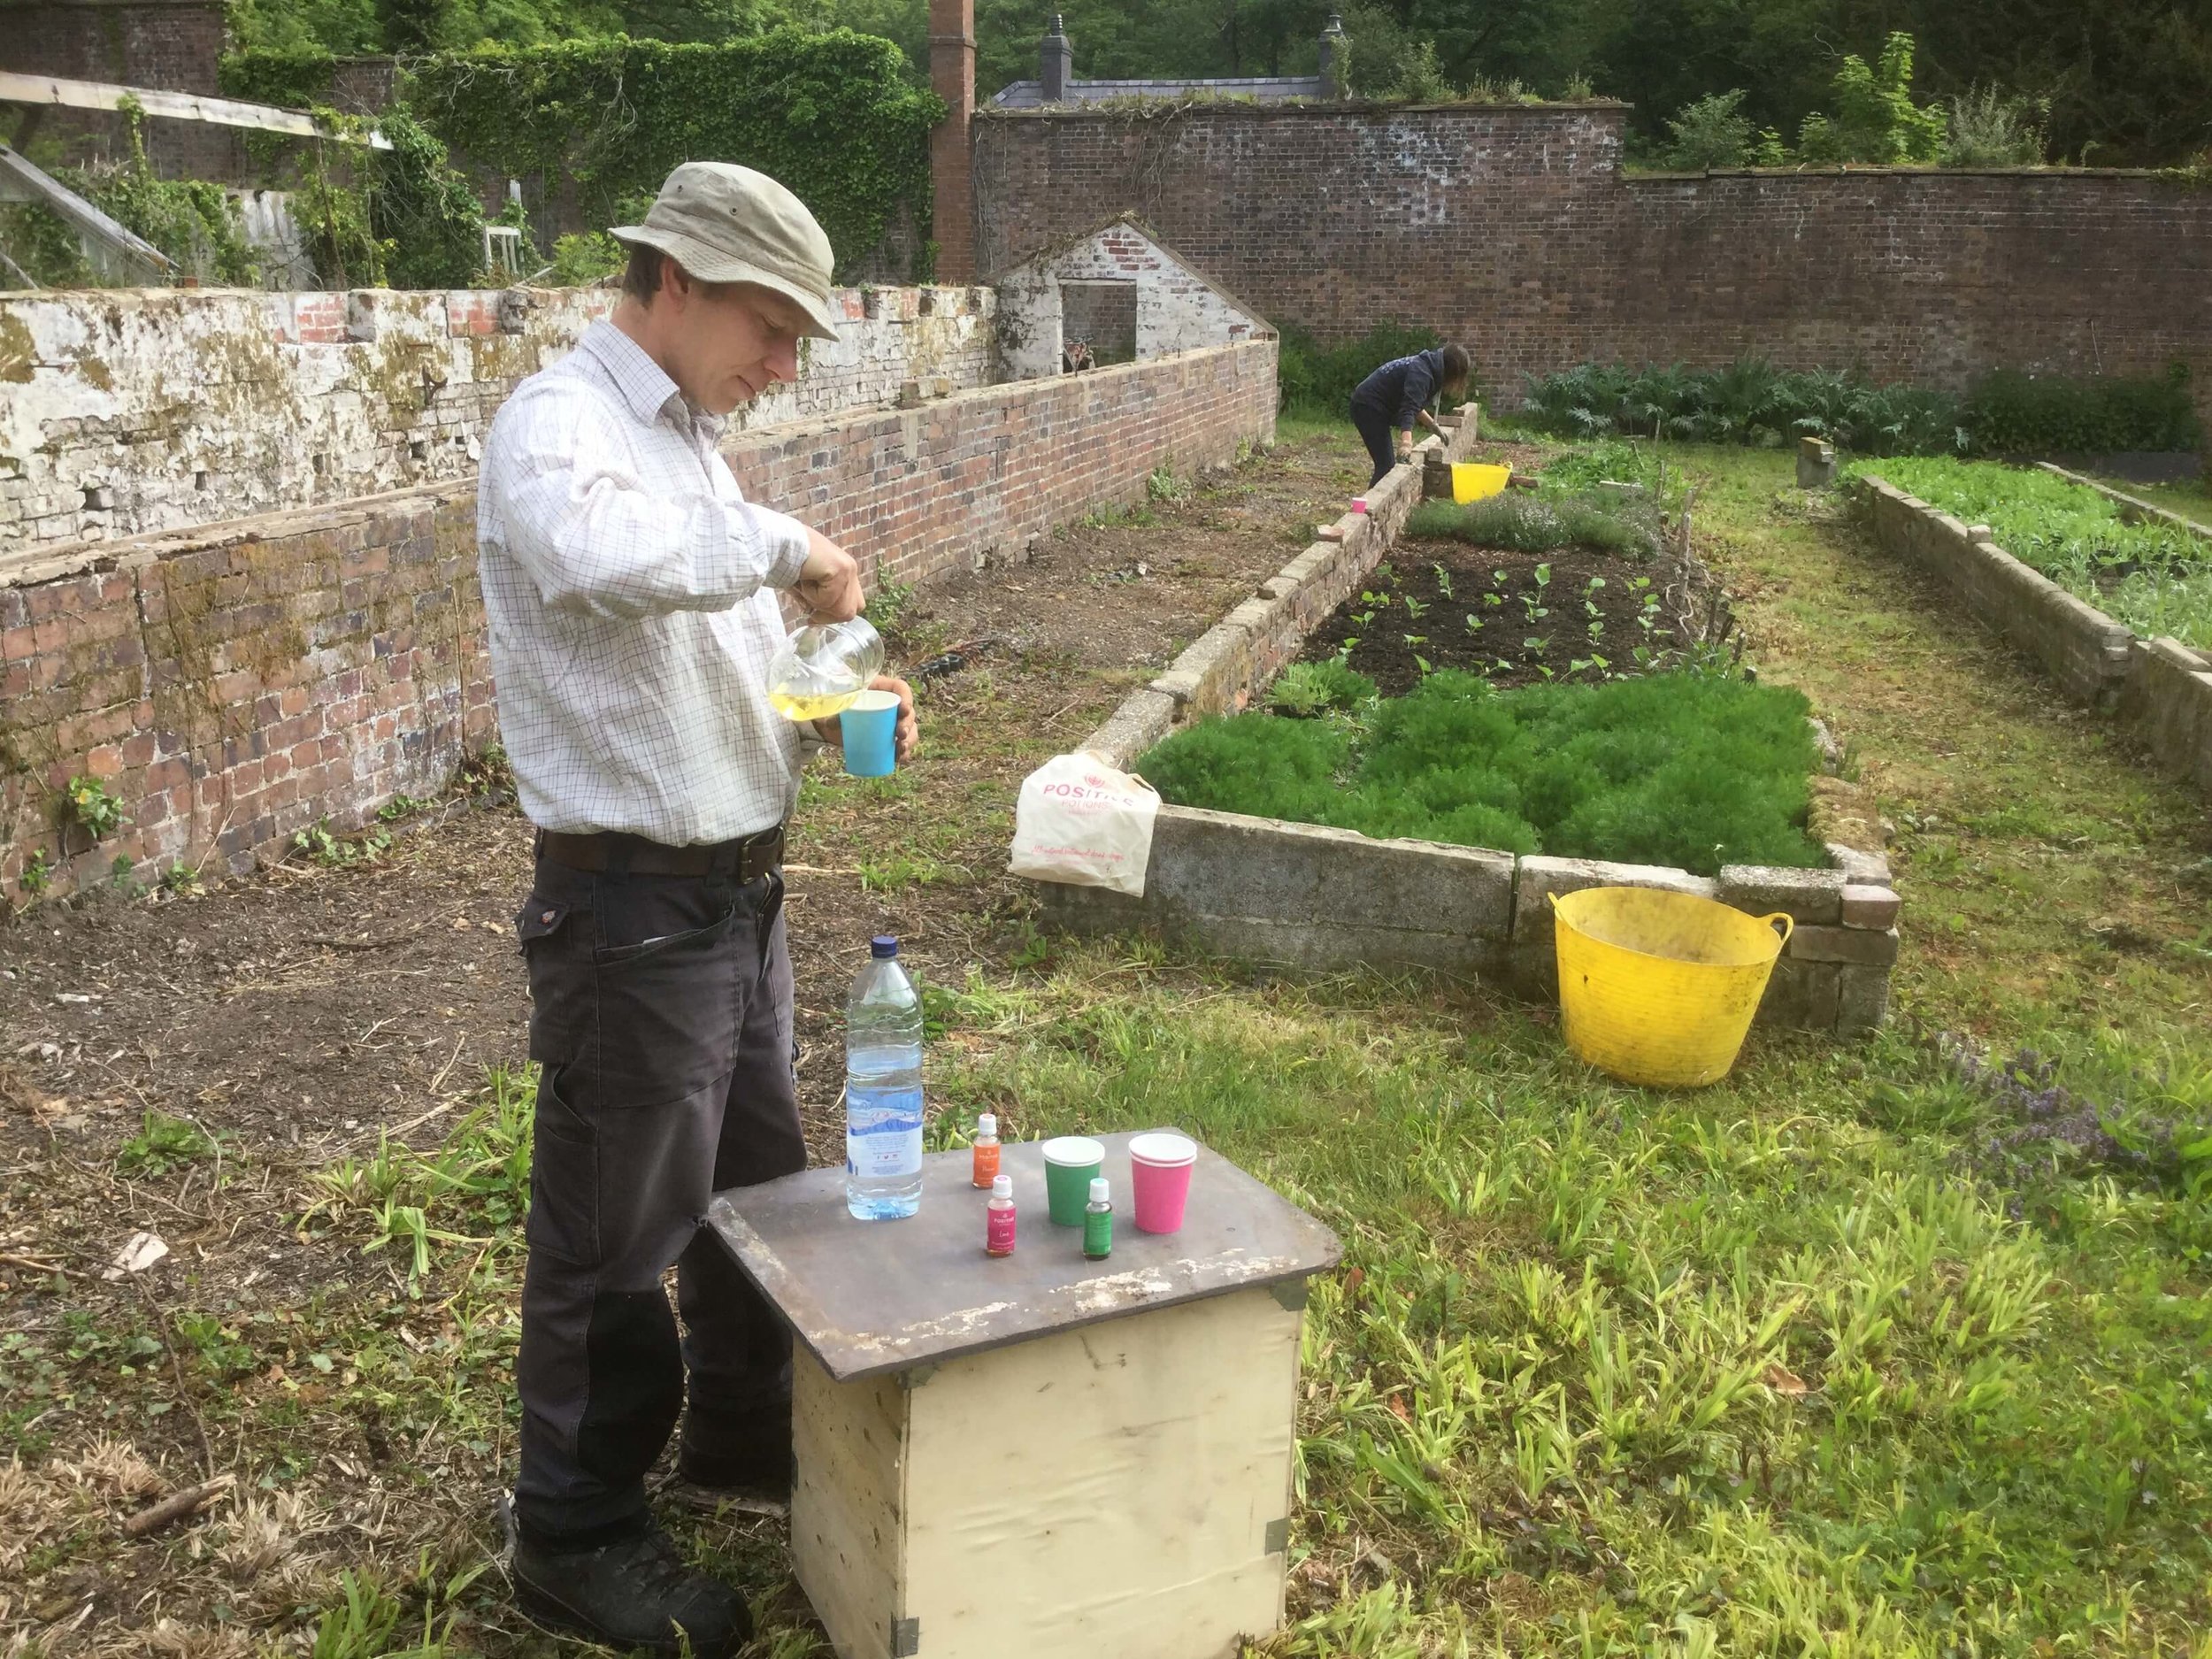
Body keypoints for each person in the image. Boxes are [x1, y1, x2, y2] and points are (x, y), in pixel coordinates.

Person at [478, 161, 919, 1658]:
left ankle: (738, 1436)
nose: (784, 362)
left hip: (737, 899)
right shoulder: (560, 428)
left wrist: (844, 699)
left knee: (756, 1191)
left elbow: (711, 675)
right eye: (771, 324)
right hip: (630, 911)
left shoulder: (695, 450)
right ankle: (575, 1530)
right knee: (615, 1231)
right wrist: (791, 544)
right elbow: (600, 563)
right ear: (670, 279)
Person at [1349, 342, 1472, 487]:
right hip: (1367, 406)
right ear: (1453, 372)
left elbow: (1414, 403)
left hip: (1372, 403)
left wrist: (1433, 426)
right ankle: (1367, 508)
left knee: (1387, 465)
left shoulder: (1427, 366)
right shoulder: (1422, 374)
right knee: (1386, 467)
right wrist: (1406, 444)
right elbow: (1409, 409)